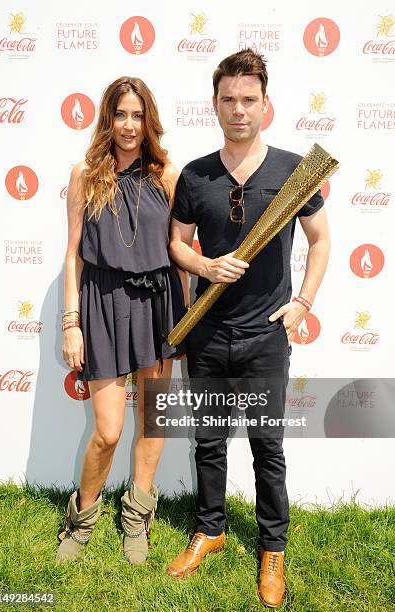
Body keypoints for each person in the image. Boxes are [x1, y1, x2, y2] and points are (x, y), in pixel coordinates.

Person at [166, 48, 330, 608]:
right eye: (229, 100)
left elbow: (321, 240)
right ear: (215, 104)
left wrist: (303, 303)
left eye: (249, 100)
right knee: (208, 442)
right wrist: (206, 266)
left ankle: (272, 548)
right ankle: (209, 529)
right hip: (207, 334)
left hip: (266, 337)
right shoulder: (195, 175)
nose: (239, 110)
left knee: (268, 447)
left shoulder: (293, 169)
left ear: (267, 105)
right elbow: (175, 245)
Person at [57, 76, 187, 565]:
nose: (129, 125)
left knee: (152, 419)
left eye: (137, 115)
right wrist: (72, 322)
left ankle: (137, 515)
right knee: (108, 430)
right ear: (107, 119)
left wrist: (185, 318)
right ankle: (81, 518)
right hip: (103, 302)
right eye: (120, 114)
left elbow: (179, 254)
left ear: (147, 119)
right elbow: (72, 255)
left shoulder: (167, 175)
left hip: (158, 302)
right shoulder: (84, 174)